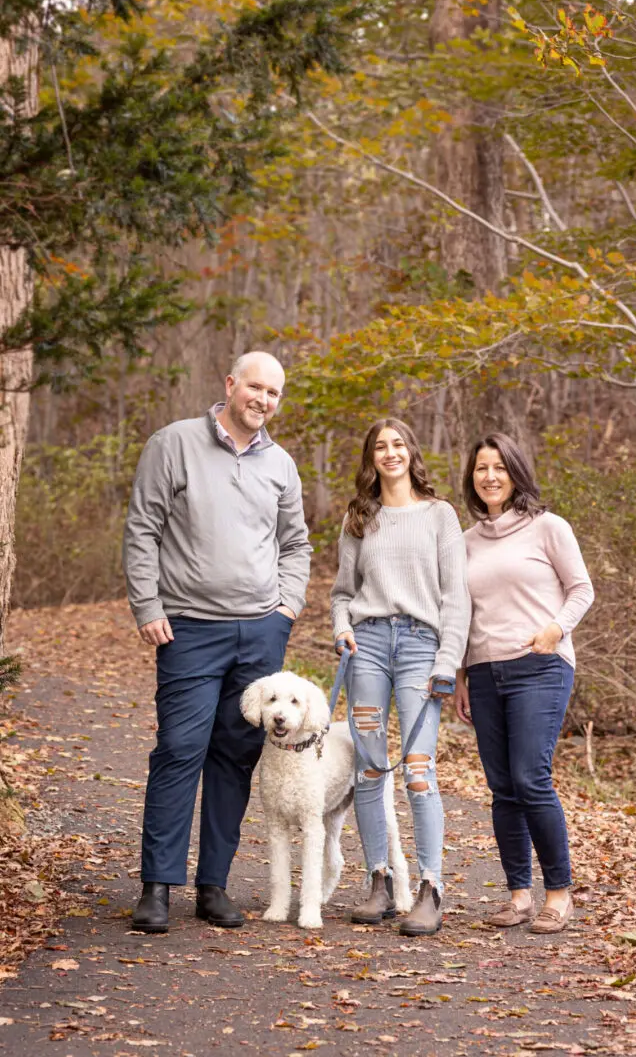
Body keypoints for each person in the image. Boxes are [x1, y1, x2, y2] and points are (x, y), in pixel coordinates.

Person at [123, 350, 312, 934]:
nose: (263, 400)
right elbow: (143, 527)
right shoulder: (173, 443)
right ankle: (157, 887)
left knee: (235, 756)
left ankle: (213, 887)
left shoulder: (280, 464)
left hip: (259, 633)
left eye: (274, 393)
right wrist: (147, 604)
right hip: (188, 628)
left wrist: (286, 609)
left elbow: (295, 544)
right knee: (180, 749)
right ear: (231, 384)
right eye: (256, 387)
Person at [331, 418, 469, 937]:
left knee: (417, 768)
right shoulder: (359, 516)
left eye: (398, 445)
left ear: (412, 452)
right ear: (371, 458)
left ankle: (431, 890)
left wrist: (446, 660)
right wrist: (342, 629)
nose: (390, 453)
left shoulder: (440, 515)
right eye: (380, 447)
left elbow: (456, 596)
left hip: (419, 647)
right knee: (368, 768)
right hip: (366, 647)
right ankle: (378, 882)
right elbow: (343, 593)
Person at [455, 433, 594, 934]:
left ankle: (559, 893)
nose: (489, 476)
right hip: (486, 673)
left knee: (530, 777)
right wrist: (463, 675)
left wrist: (557, 628)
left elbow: (581, 588)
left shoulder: (548, 527)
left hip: (541, 665)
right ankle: (518, 895)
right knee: (502, 787)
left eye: (499, 467)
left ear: (515, 472)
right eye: (480, 469)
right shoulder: (466, 541)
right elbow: (465, 614)